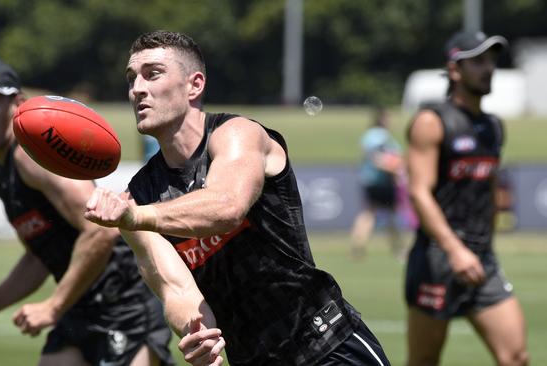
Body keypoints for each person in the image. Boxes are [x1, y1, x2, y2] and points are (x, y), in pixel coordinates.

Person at [84, 30, 390, 366]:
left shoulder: (237, 134)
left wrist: (136, 217)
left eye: (152, 74)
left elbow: (226, 206)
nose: (137, 89)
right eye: (131, 78)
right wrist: (200, 334)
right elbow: (175, 288)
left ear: (194, 85)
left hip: (327, 345)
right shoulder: (141, 193)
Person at [0, 58, 175, 366]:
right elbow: (39, 258)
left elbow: (100, 229)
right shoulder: (1, 172)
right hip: (79, 307)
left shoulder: (30, 158)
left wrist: (53, 306)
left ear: (17, 104)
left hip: (124, 301)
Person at [405, 31, 529, 366]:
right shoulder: (432, 121)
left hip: (482, 259)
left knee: (516, 357)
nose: (488, 68)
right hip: (439, 259)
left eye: (491, 60)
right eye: (478, 61)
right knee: (424, 361)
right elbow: (419, 191)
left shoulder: (493, 126)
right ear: (455, 69)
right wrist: (454, 249)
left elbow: (489, 187)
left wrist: (485, 243)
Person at [350, 106, 406, 260]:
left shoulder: (369, 135)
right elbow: (378, 157)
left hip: (370, 180)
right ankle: (398, 249)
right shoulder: (380, 136)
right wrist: (395, 169)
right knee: (384, 215)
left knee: (370, 213)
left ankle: (358, 247)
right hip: (381, 181)